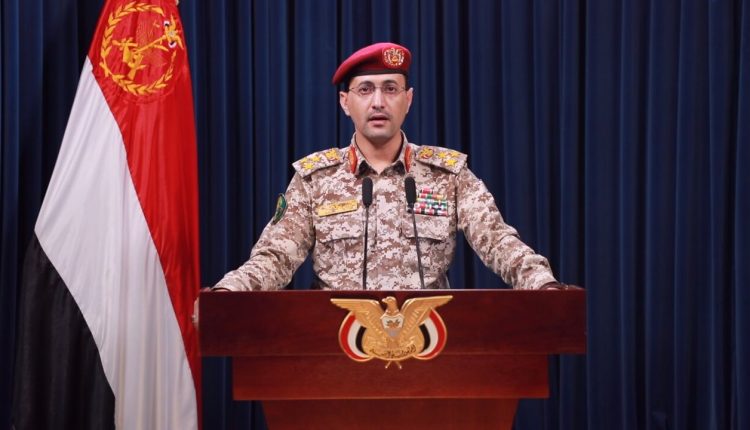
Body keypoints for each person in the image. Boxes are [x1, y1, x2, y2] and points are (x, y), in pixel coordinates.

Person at [210, 42, 565, 293]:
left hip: (428, 344)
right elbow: (275, 257)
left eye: (391, 89)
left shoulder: (447, 175)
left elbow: (499, 242)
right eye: (365, 90)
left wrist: (542, 284)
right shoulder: (316, 179)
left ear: (408, 100)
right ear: (345, 102)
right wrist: (229, 292)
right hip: (335, 346)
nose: (378, 102)